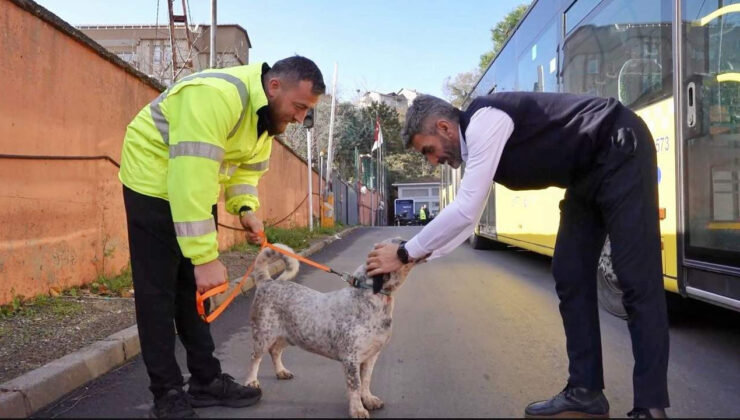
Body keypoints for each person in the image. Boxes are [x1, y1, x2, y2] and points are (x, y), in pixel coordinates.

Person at [365, 93, 669, 419]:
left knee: (636, 279)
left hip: (619, 145)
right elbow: (470, 218)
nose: (433, 160)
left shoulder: (484, 122)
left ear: (444, 127)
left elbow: (466, 211)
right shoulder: (478, 146)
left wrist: (404, 252)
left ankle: (650, 406)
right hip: (584, 174)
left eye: (429, 150)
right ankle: (586, 392)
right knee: (570, 273)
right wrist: (411, 255)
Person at [119, 56, 324, 418]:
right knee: (158, 294)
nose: (299, 118)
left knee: (197, 292)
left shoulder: (265, 117)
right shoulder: (214, 96)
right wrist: (204, 257)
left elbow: (246, 167)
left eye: (305, 111)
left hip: (193, 190)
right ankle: (166, 392)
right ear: (274, 86)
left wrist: (245, 207)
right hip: (152, 181)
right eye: (299, 107)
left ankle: (205, 380)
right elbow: (190, 176)